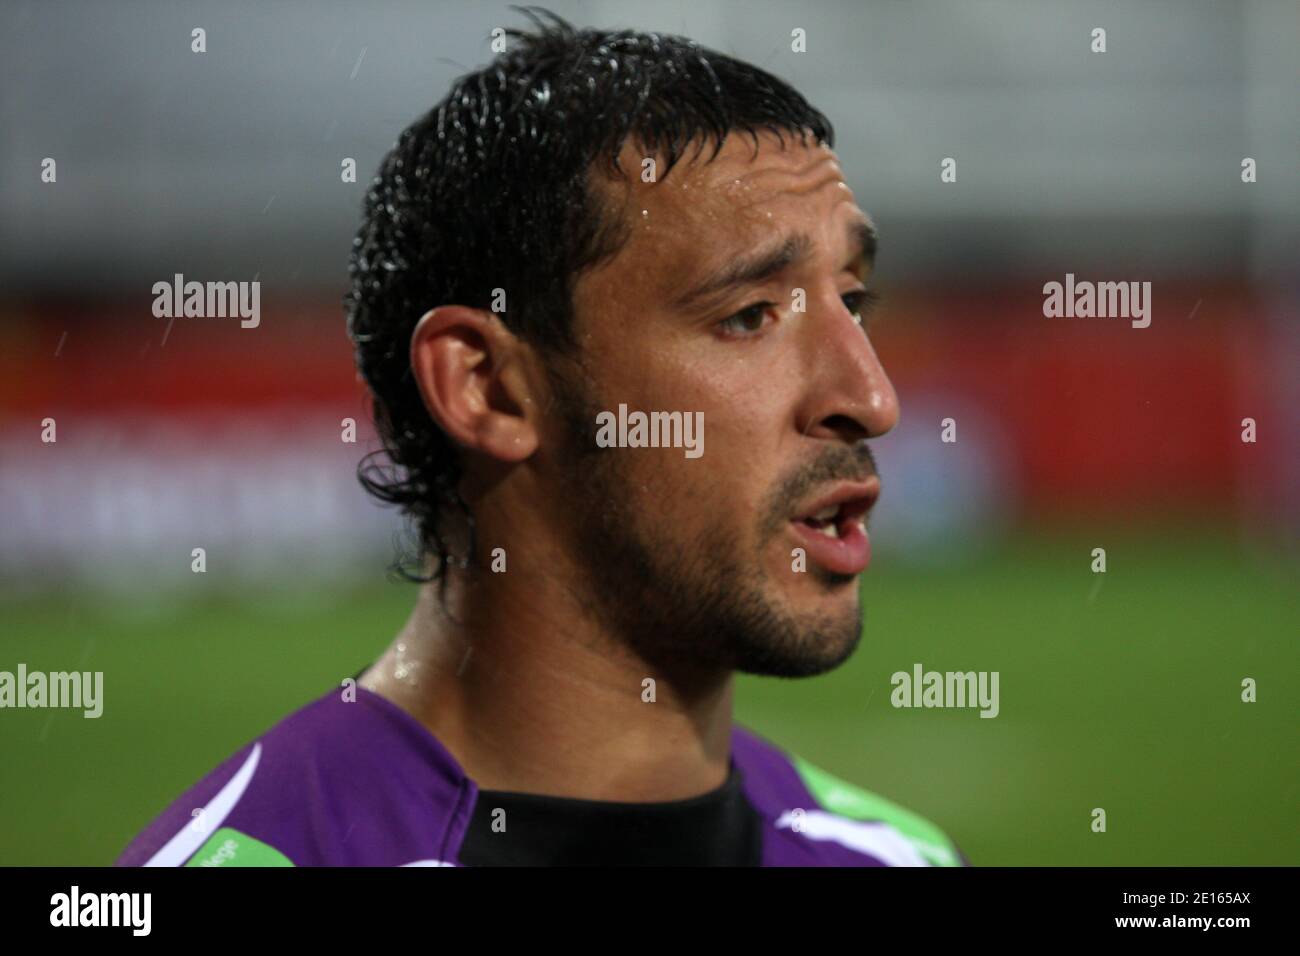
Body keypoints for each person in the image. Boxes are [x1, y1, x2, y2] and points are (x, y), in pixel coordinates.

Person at [118, 8, 964, 867]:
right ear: (488, 387)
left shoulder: (898, 858)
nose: (871, 398)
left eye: (852, 300)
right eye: (749, 316)